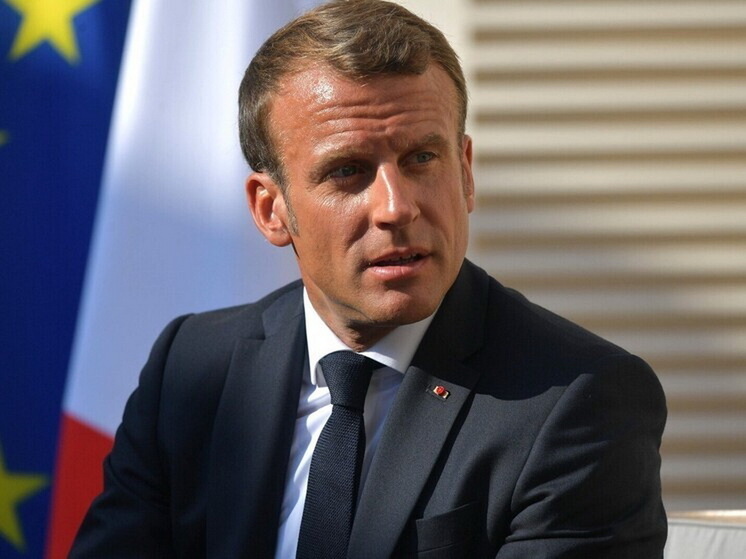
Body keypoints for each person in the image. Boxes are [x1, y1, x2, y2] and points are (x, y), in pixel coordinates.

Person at [70, 1, 667, 557]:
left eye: (422, 158)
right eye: (348, 171)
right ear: (271, 210)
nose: (396, 207)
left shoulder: (581, 400)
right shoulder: (192, 366)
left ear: (465, 173)